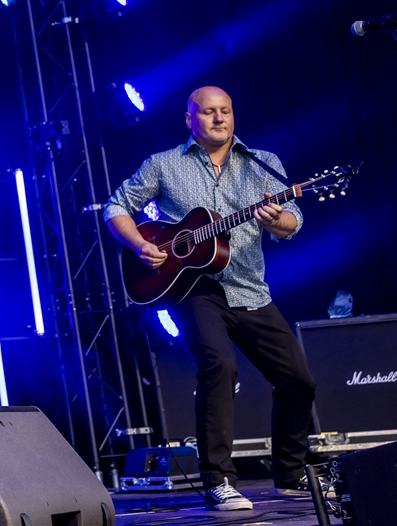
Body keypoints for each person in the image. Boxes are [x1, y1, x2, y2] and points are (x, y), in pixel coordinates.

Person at [105, 86, 317, 509]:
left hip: (249, 287)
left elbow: (293, 224)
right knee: (219, 367)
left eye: (225, 111)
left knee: (298, 381)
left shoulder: (263, 163)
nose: (219, 119)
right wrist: (138, 245)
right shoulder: (163, 164)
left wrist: (276, 221)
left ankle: (291, 475)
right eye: (208, 112)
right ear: (190, 119)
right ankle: (219, 479)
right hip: (193, 289)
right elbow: (117, 207)